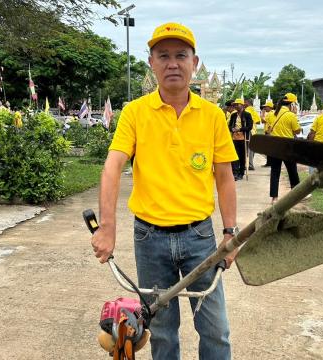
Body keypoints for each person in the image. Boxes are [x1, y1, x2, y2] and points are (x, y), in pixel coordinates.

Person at [90, 22, 238, 360]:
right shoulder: (135, 113)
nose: (173, 63)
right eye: (164, 56)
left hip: (200, 238)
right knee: (161, 333)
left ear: (194, 62)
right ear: (152, 63)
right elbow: (112, 167)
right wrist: (107, 228)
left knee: (216, 331)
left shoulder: (213, 116)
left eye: (181, 55)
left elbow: (225, 176)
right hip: (149, 239)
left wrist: (230, 232)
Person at [269, 93, 301, 203]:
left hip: (274, 146)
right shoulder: (291, 115)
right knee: (292, 171)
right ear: (291, 104)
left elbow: (268, 128)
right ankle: (296, 194)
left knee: (275, 172)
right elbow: (297, 131)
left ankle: (274, 198)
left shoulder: (273, 114)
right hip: (287, 146)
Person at [228, 98, 253, 180]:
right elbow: (230, 125)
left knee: (242, 156)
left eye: (237, 104)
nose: (235, 106)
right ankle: (235, 172)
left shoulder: (247, 115)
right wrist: (232, 129)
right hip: (235, 138)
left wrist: (240, 129)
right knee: (235, 156)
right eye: (234, 105)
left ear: (242, 105)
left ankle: (241, 173)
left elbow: (249, 127)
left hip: (244, 138)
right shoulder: (233, 115)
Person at [244, 99, 261, 170]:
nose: (243, 104)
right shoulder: (253, 110)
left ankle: (250, 164)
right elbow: (258, 121)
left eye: (244, 102)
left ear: (247, 103)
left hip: (249, 130)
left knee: (248, 148)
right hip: (254, 131)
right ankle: (250, 163)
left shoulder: (247, 110)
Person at [261, 99, 275, 167]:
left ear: (269, 107)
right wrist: (263, 113)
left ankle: (270, 163)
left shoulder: (271, 114)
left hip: (269, 133)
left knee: (269, 149)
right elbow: (263, 121)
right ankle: (269, 162)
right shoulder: (269, 114)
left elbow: (272, 124)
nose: (265, 108)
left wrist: (262, 113)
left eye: (266, 107)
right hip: (268, 133)